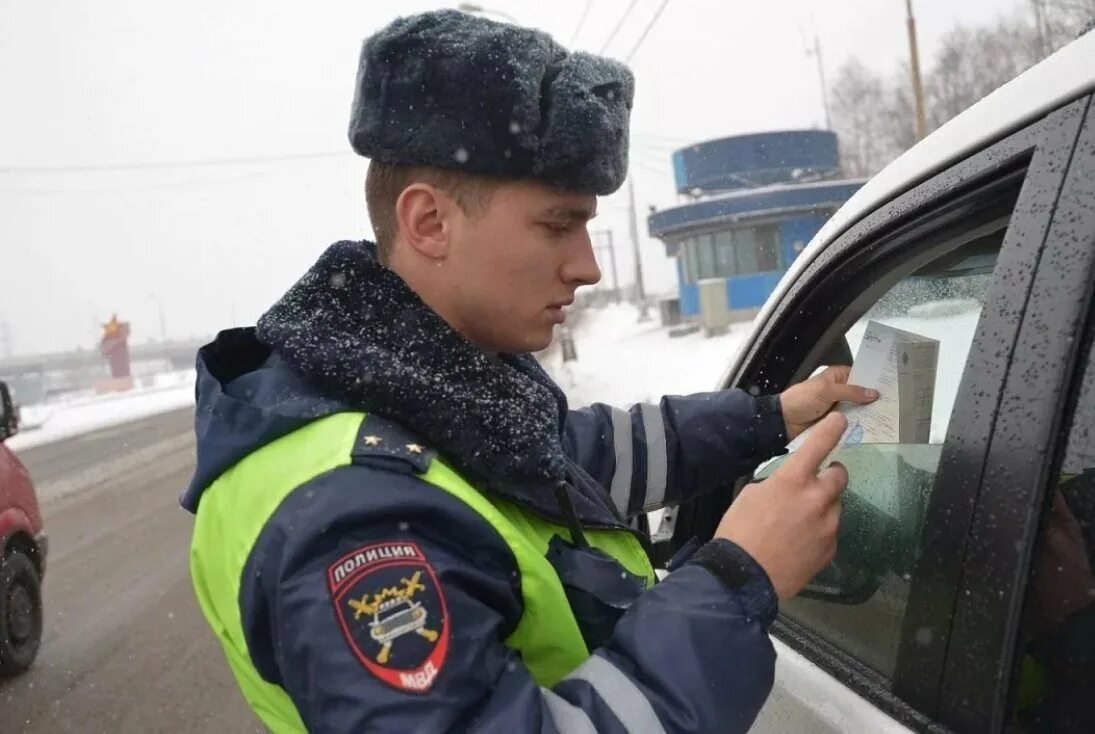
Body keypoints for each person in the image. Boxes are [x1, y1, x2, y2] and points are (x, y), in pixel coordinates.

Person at [182, 10, 877, 733]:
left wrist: (768, 419)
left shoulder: (423, 401)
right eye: (556, 225)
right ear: (428, 224)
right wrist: (738, 579)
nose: (587, 265)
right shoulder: (356, 522)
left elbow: (574, 459)